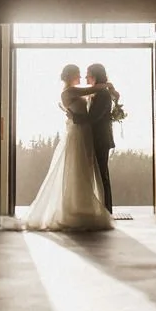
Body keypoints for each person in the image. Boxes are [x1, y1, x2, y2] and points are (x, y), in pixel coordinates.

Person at [22, 64, 117, 231]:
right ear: (70, 75)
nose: (81, 77)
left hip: (85, 135)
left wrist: (112, 93)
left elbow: (93, 95)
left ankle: (89, 207)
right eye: (78, 74)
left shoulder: (76, 91)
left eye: (84, 74)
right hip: (78, 136)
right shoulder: (69, 92)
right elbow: (94, 90)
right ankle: (82, 209)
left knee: (87, 173)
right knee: (80, 172)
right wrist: (109, 86)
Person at [71, 63, 115, 213]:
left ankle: (107, 210)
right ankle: (102, 208)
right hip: (97, 138)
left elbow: (94, 117)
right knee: (100, 173)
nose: (85, 77)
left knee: (102, 174)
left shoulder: (103, 94)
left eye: (87, 74)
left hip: (101, 139)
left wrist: (74, 117)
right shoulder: (99, 92)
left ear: (94, 75)